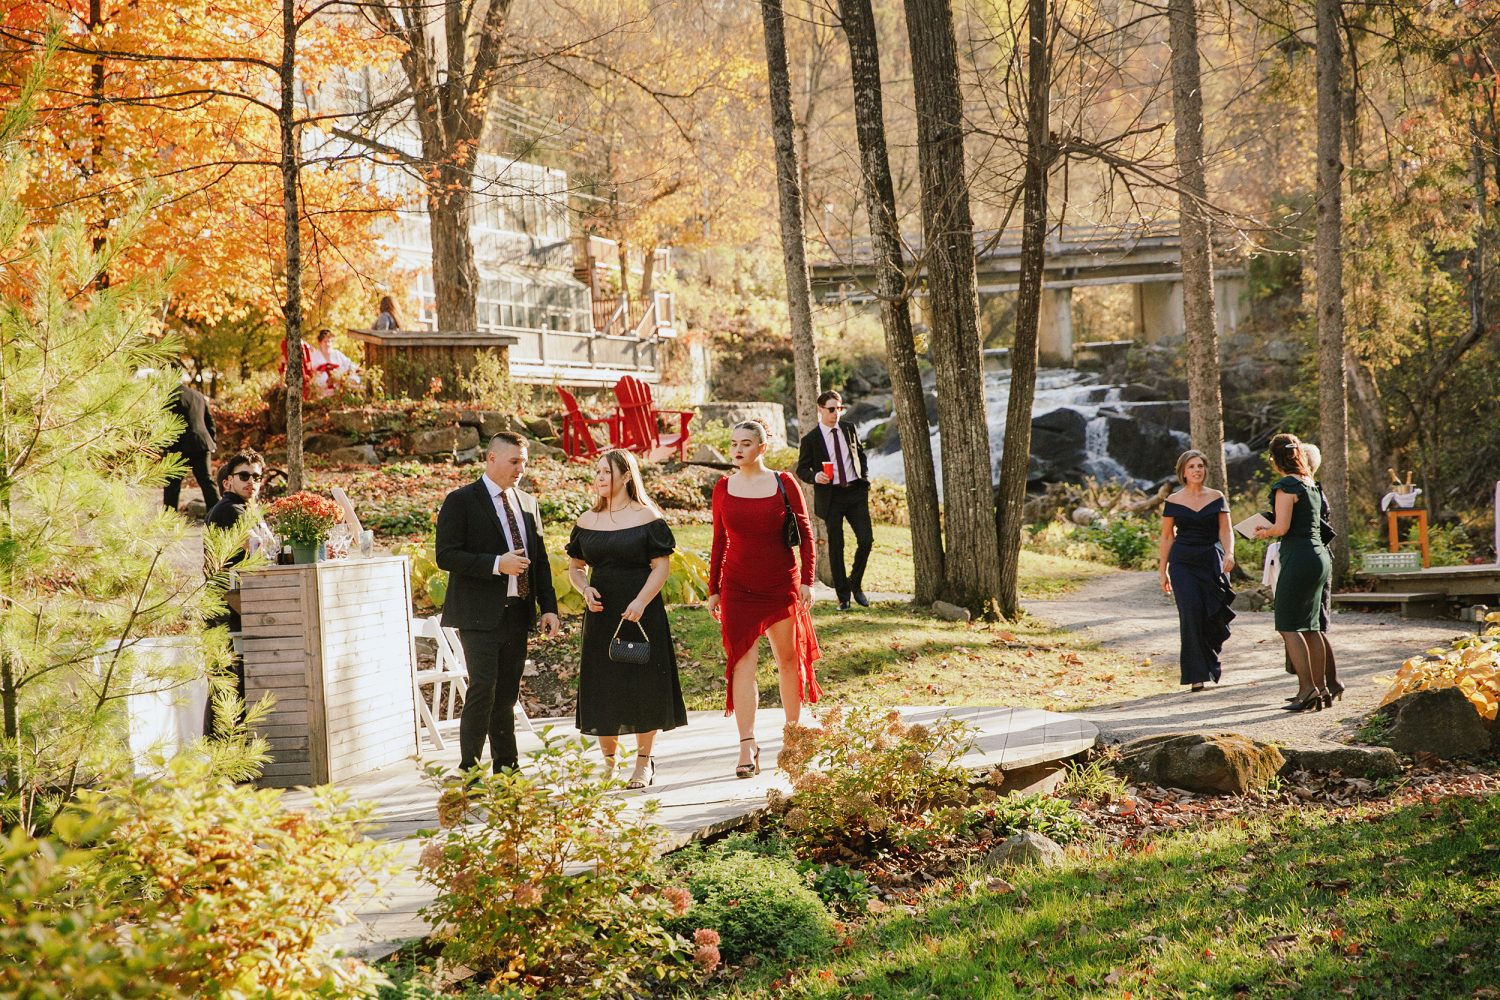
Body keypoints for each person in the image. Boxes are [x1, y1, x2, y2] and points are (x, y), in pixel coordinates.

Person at [435, 432, 561, 774]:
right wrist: (496, 564)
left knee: (506, 695)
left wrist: (548, 606)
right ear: (491, 459)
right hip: (479, 615)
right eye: (514, 461)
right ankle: (470, 772)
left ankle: (507, 770)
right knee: (482, 692)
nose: (521, 468)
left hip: (517, 613)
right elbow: (446, 556)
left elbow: (541, 560)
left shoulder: (528, 504)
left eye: (524, 461)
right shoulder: (461, 501)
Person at [565, 449, 687, 789]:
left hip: (641, 611)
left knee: (643, 686)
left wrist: (641, 601)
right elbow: (575, 568)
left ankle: (643, 764)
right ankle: (608, 765)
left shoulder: (647, 516)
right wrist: (584, 590)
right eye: (598, 472)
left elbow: (661, 566)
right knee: (603, 686)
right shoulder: (587, 519)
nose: (600, 478)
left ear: (626, 476)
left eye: (607, 472)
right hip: (601, 614)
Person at [707, 420, 822, 779]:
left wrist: (807, 580)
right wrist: (713, 588)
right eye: (733, 443)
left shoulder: (784, 483)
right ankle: (747, 745)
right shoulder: (724, 487)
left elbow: (806, 533)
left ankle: (793, 738)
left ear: (762, 447)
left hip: (779, 584)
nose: (737, 449)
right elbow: (719, 541)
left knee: (788, 661)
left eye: (745, 443)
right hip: (737, 588)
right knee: (742, 664)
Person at [1254, 433, 1334, 712]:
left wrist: (1264, 531)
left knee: (1287, 624)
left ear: (1275, 459)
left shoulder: (1286, 485)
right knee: (1312, 627)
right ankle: (1322, 688)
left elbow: (1283, 527)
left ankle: (1307, 689)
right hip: (1319, 557)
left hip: (1299, 557)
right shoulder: (1310, 483)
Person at [1158, 450, 1236, 691]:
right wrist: (1163, 570)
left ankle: (1210, 660)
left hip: (1211, 559)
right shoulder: (1173, 501)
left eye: (1200, 465)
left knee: (1210, 613)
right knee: (1190, 613)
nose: (1197, 470)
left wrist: (1230, 552)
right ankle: (1196, 675)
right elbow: (1167, 536)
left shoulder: (1216, 496)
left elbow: (1226, 530)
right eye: (1191, 466)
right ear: (1183, 471)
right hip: (1183, 563)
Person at [795, 389, 874, 610]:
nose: (836, 413)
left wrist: (864, 478)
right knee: (836, 546)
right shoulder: (811, 439)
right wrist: (815, 476)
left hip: (855, 493)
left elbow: (860, 454)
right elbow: (802, 469)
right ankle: (843, 596)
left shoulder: (849, 429)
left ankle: (855, 584)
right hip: (831, 497)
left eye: (839, 408)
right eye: (831, 409)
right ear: (820, 410)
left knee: (866, 540)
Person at [163, 378, 218, 515]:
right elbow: (209, 420)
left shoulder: (170, 396)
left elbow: (167, 423)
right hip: (201, 444)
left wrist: (164, 446)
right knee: (207, 482)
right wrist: (212, 441)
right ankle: (218, 514)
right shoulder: (197, 395)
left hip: (179, 446)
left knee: (172, 485)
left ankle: (168, 518)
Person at [308, 329, 361, 398]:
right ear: (320, 343)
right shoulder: (314, 356)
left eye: (329, 341)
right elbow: (310, 371)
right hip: (322, 385)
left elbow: (349, 364)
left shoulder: (336, 354)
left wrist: (351, 370)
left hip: (338, 383)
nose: (328, 344)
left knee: (354, 379)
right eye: (325, 342)